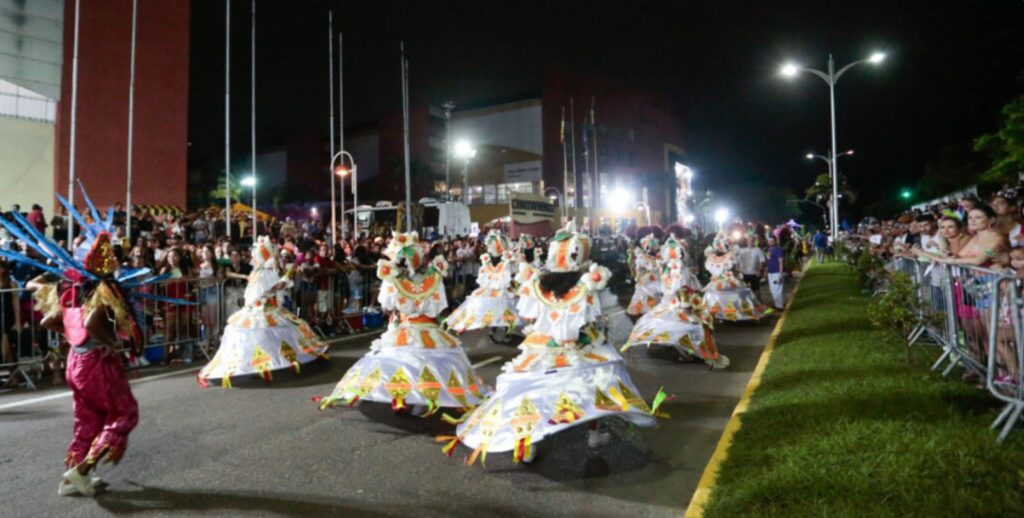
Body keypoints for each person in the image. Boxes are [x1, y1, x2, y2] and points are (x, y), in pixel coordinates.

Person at [442, 222, 661, 465]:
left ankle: (530, 442)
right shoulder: (585, 286)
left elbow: (528, 316)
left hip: (541, 347)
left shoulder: (538, 284)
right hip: (577, 348)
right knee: (590, 388)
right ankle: (592, 434)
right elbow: (584, 321)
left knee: (534, 391)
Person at [320, 231, 489, 416]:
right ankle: (423, 400)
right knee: (429, 364)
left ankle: (404, 397)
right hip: (428, 328)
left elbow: (386, 307)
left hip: (404, 329)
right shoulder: (434, 278)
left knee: (402, 364)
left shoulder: (393, 280)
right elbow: (437, 310)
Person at [198, 237, 329, 387]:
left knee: (270, 336)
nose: (276, 257)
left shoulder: (258, 271)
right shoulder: (264, 272)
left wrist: (287, 274)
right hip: (264, 309)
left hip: (262, 308)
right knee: (267, 336)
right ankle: (266, 363)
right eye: (274, 254)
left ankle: (264, 363)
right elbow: (276, 288)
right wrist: (288, 274)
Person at [625, 233, 727, 368]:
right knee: (684, 327)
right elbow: (681, 289)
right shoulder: (678, 269)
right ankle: (688, 353)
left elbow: (678, 288)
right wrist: (686, 305)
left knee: (680, 328)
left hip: (673, 303)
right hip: (678, 304)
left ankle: (688, 353)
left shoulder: (668, 267)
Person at [444, 230, 521, 340]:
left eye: (491, 246)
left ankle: (498, 332)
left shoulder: (499, 259)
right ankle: (503, 334)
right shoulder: (498, 259)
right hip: (500, 291)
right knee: (504, 313)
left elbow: (510, 272)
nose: (489, 248)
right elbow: (511, 272)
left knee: (499, 312)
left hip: (498, 290)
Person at [703, 232, 768, 321]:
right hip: (728, 280)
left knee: (723, 296)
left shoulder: (715, 257)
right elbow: (733, 267)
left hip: (721, 280)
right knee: (731, 296)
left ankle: (722, 314)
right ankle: (725, 313)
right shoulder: (729, 256)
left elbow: (732, 267)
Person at [626, 228, 663, 320]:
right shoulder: (639, 251)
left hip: (649, 274)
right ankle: (648, 310)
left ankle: (649, 309)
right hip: (646, 275)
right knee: (648, 292)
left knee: (648, 292)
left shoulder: (644, 247)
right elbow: (643, 262)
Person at [766, 237, 786, 310]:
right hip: (770, 273)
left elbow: (781, 262)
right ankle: (776, 304)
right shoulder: (769, 250)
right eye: (769, 241)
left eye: (772, 241)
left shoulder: (778, 250)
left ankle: (780, 306)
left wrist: (780, 274)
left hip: (777, 272)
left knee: (778, 289)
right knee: (772, 290)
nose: (770, 242)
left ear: (775, 241)